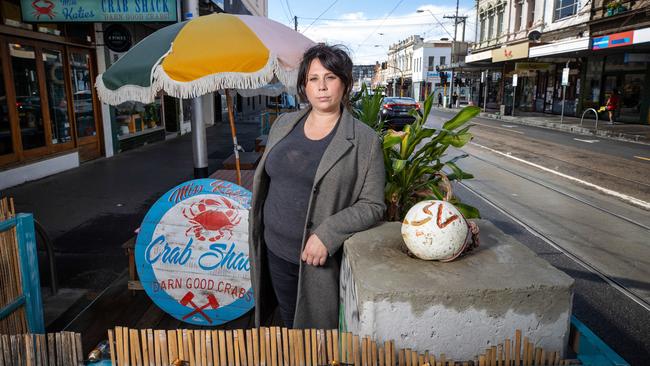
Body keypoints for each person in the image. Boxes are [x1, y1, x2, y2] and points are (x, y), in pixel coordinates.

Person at [249, 44, 386, 329]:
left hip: (316, 260)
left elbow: (373, 204)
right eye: (313, 79)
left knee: (314, 336)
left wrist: (327, 233)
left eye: (331, 77)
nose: (322, 87)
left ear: (345, 84)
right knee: (285, 322)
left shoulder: (365, 140)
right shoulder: (284, 124)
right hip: (273, 247)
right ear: (304, 86)